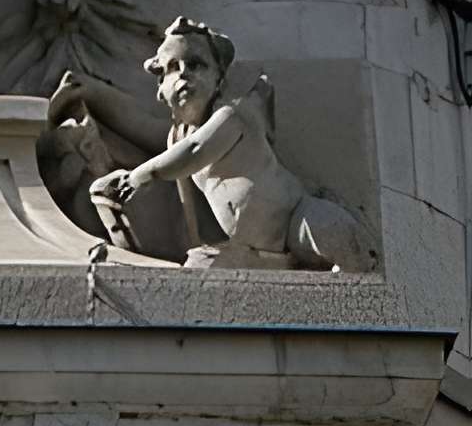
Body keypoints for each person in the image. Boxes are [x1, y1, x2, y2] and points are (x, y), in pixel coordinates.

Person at [91, 14, 375, 271]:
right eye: (172, 68)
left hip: (292, 223)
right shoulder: (177, 136)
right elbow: (151, 137)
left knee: (329, 230)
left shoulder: (233, 114)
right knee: (197, 273)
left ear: (219, 78)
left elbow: (195, 151)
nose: (184, 74)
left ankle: (356, 271)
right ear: (161, 91)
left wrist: (141, 174)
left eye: (196, 64)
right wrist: (92, 94)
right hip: (250, 249)